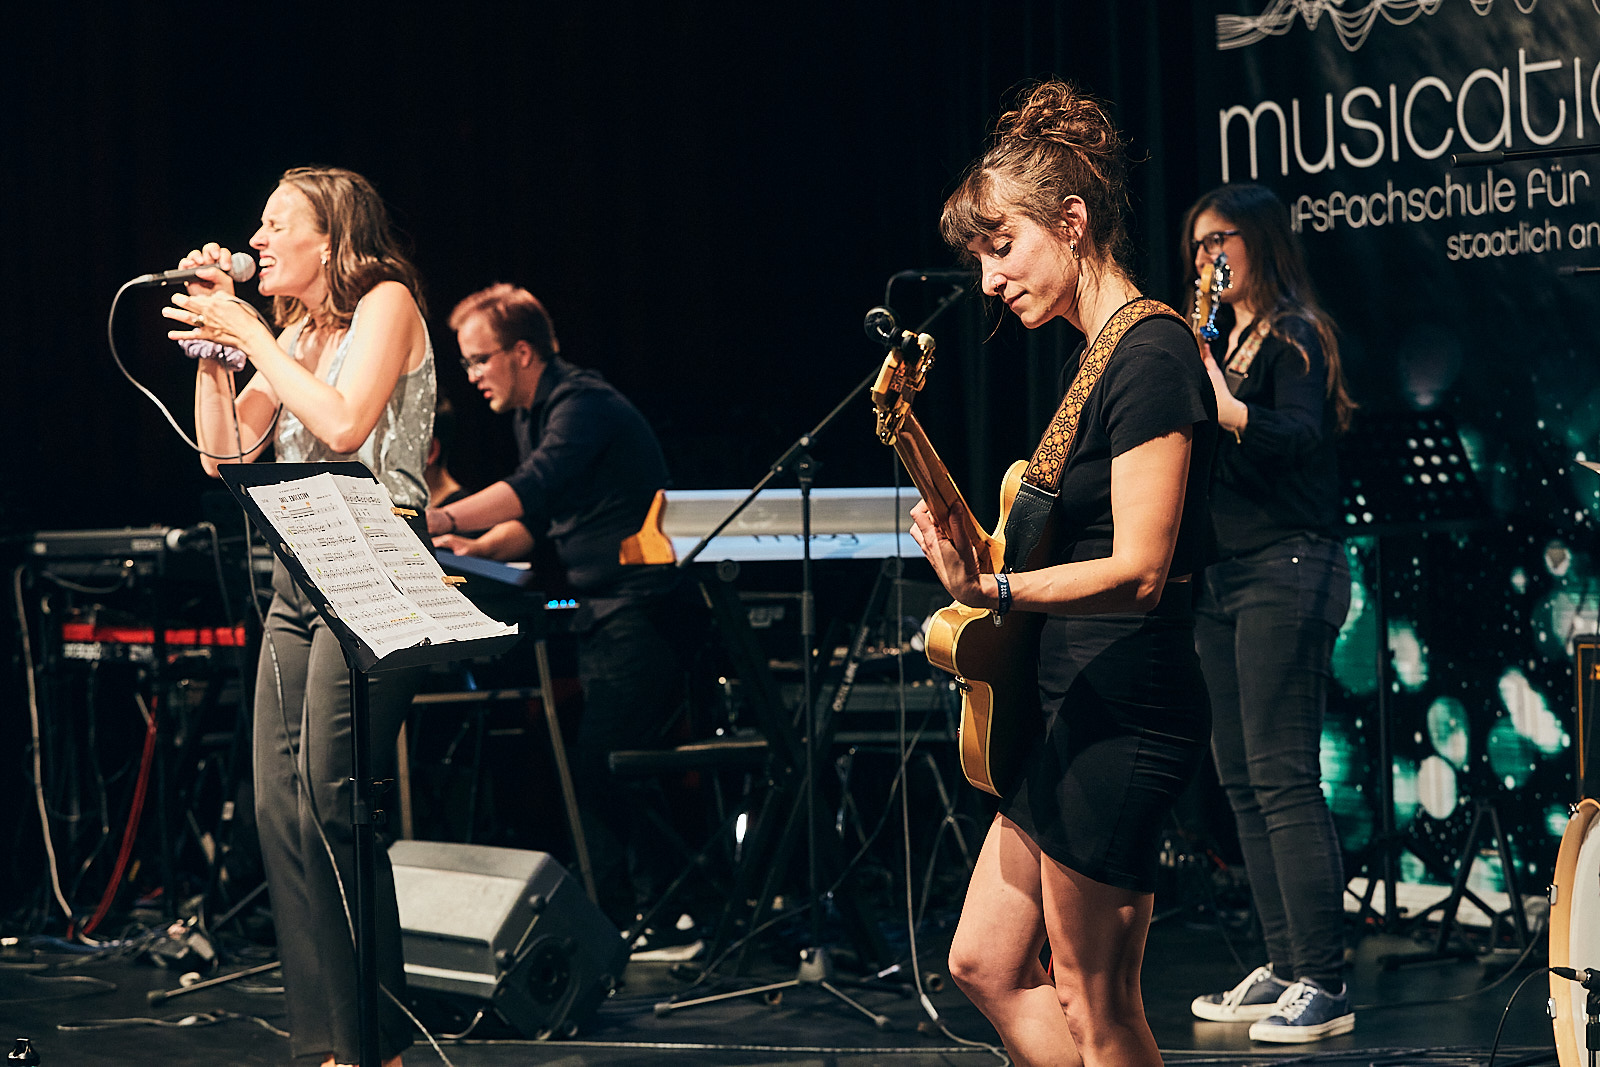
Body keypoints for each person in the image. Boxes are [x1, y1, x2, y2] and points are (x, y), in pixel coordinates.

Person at [910, 81, 1217, 1066]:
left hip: (1127, 711)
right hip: (1069, 710)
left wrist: (992, 591)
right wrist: (972, 556)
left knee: (1097, 1001)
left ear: (1072, 222)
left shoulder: (1152, 353)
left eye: (1002, 247)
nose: (989, 280)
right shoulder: (1094, 359)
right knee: (984, 961)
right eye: (981, 258)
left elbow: (1140, 570)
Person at [164, 166, 433, 1067]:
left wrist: (248, 331)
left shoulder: (386, 302)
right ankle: (326, 1043)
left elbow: (347, 424)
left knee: (333, 796)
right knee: (281, 804)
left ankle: (375, 1047)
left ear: (331, 239)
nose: (259, 239)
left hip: (377, 556)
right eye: (260, 225)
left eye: (279, 225)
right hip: (299, 564)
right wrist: (218, 355)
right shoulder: (295, 334)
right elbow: (226, 455)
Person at [425, 284, 690, 945]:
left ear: (521, 352)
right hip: (601, 616)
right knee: (597, 768)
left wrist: (441, 519)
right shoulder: (532, 414)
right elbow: (539, 519)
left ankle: (670, 914)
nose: (472, 375)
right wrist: (476, 549)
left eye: (479, 359)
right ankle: (631, 917)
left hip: (640, 611)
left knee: (610, 765)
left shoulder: (582, 404)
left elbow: (533, 486)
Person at [1180, 183, 1357, 1043]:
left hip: (1288, 566)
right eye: (1197, 242)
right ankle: (1286, 964)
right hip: (1224, 577)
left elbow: (1299, 435)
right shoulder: (1218, 339)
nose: (1207, 254)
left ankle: (1324, 977)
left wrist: (1227, 407)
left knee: (1285, 778)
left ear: (1259, 241)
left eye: (1221, 238)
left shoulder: (1296, 335)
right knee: (1242, 780)